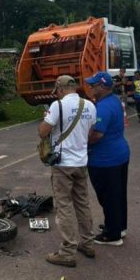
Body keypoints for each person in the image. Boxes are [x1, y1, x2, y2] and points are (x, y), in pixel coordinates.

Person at [39, 75, 97, 267]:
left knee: (63, 205)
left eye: (57, 91)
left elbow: (42, 132)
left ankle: (67, 252)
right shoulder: (90, 105)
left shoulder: (58, 106)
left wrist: (46, 120)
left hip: (63, 164)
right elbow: (89, 133)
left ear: (60, 89)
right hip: (81, 162)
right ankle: (87, 244)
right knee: (82, 203)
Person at [86, 71, 131, 246]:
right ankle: (119, 226)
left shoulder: (103, 107)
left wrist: (82, 143)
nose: (90, 87)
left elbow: (97, 134)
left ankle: (112, 235)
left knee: (108, 197)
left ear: (103, 86)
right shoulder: (114, 101)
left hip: (105, 159)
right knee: (118, 194)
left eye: (93, 85)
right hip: (119, 154)